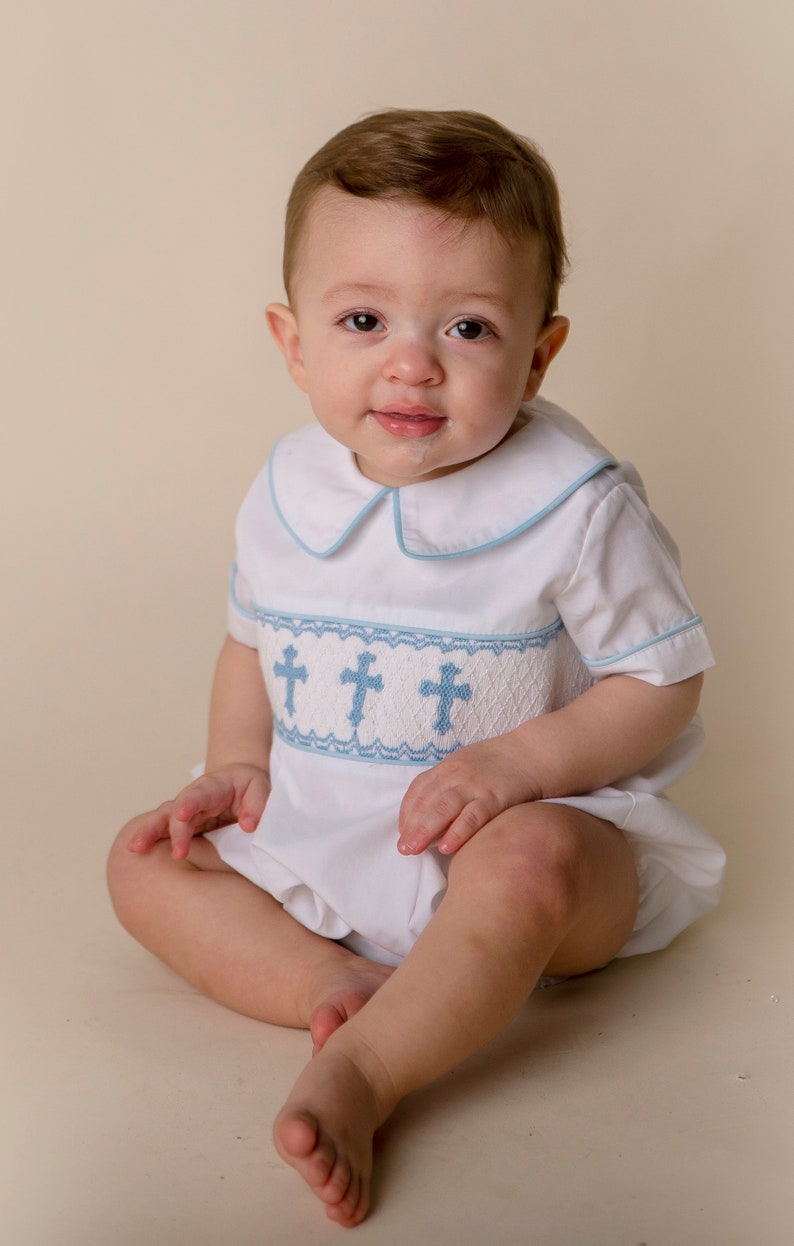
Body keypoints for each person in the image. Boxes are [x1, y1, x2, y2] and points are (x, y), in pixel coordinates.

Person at [107, 109, 726, 1228]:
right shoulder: (287, 490)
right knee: (143, 863)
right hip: (327, 829)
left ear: (539, 351)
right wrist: (236, 768)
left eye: (471, 330)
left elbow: (660, 679)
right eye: (361, 318)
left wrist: (514, 763)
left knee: (531, 860)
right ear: (292, 343)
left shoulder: (573, 505)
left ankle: (368, 1072)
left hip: (532, 838)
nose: (412, 363)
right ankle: (336, 988)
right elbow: (250, 639)